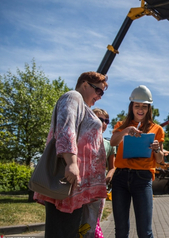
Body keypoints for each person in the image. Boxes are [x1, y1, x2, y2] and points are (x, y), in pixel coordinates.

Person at [33, 71, 108, 238]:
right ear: (85, 84)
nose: (100, 96)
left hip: (78, 184)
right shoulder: (73, 97)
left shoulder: (84, 106)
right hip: (69, 180)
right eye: (99, 91)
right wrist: (72, 163)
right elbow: (66, 129)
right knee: (63, 230)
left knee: (72, 230)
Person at [110, 85, 165, 238]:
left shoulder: (157, 129)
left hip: (142, 179)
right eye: (137, 106)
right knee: (120, 231)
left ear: (149, 108)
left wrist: (156, 149)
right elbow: (113, 142)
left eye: (144, 106)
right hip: (120, 178)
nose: (140, 109)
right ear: (131, 107)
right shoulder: (121, 125)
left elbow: (160, 160)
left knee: (145, 231)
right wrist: (126, 131)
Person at [92, 108, 116, 238]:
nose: (104, 123)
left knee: (95, 220)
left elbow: (112, 167)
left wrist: (107, 178)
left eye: (107, 121)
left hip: (99, 188)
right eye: (101, 119)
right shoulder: (82, 139)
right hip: (81, 186)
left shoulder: (109, 144)